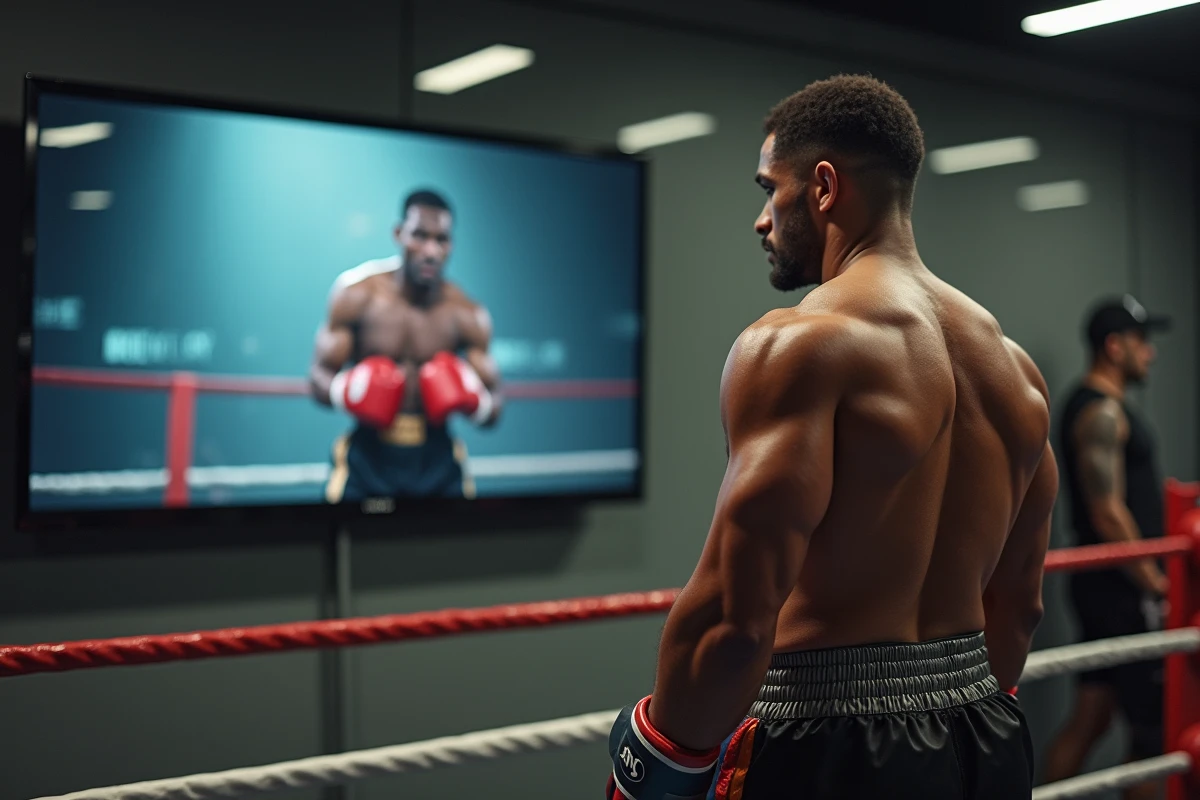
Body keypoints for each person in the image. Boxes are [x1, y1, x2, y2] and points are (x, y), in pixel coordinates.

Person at [606, 75, 1056, 799]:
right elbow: (1019, 607)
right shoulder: (1014, 370)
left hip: (828, 751)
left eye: (768, 188)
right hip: (984, 740)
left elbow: (735, 619)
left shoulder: (800, 346)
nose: (762, 219)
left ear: (822, 186)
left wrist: (657, 767)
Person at [1042, 295, 1170, 800]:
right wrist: (1157, 583)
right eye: (1142, 343)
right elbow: (1107, 511)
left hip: (1108, 589)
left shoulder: (1102, 407)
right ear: (1114, 347)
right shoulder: (1100, 412)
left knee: (1092, 718)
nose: (1151, 354)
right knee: (1150, 736)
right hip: (1121, 591)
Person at [309, 189, 501, 501]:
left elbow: (496, 408)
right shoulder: (357, 295)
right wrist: (347, 390)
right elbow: (317, 376)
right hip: (367, 456)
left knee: (458, 546)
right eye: (420, 236)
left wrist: (475, 401)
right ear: (399, 234)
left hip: (437, 457)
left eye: (441, 240)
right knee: (344, 541)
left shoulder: (466, 314)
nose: (431, 251)